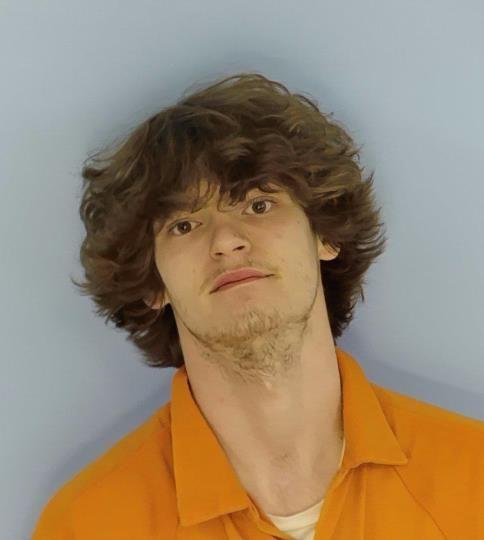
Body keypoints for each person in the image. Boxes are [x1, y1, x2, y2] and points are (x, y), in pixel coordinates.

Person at [32, 72, 483, 540]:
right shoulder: (86, 526)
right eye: (184, 225)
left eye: (259, 205)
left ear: (325, 234)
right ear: (152, 284)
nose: (227, 240)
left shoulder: (476, 480)